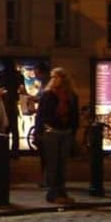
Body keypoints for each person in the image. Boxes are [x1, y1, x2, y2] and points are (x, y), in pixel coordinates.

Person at [35, 66, 79, 205]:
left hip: (65, 132)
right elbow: (41, 116)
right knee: (52, 164)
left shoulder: (71, 96)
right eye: (53, 77)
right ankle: (52, 193)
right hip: (51, 132)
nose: (55, 80)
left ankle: (62, 191)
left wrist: (73, 131)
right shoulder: (48, 95)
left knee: (62, 164)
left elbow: (74, 116)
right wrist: (38, 133)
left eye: (58, 77)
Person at [0, 59, 26, 155]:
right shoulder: (19, 75)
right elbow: (22, 90)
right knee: (14, 129)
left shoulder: (1, 74)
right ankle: (15, 152)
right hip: (14, 103)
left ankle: (3, 151)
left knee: (4, 128)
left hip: (4, 104)